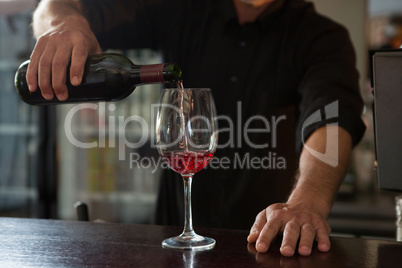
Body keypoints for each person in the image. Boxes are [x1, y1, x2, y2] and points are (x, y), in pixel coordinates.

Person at [27, 0, 366, 257]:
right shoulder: (181, 9)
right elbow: (53, 5)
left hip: (269, 249)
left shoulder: (322, 38)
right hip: (175, 251)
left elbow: (331, 119)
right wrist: (64, 23)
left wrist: (308, 203)